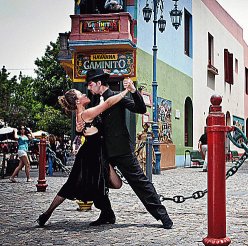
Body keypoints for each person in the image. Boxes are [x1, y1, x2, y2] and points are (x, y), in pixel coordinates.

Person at [84, 68, 173, 229]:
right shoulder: (93, 100)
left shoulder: (117, 96)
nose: (88, 88)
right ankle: (106, 214)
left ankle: (162, 215)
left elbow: (140, 109)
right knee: (97, 180)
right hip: (102, 149)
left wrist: (133, 91)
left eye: (90, 84)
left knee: (139, 181)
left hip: (121, 148)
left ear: (98, 83)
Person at [36, 86, 127, 227]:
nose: (85, 94)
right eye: (81, 94)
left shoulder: (82, 115)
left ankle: (106, 213)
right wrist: (126, 92)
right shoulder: (86, 114)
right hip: (90, 156)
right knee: (75, 186)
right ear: (78, 101)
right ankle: (47, 213)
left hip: (96, 154)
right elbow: (108, 104)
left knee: (109, 184)